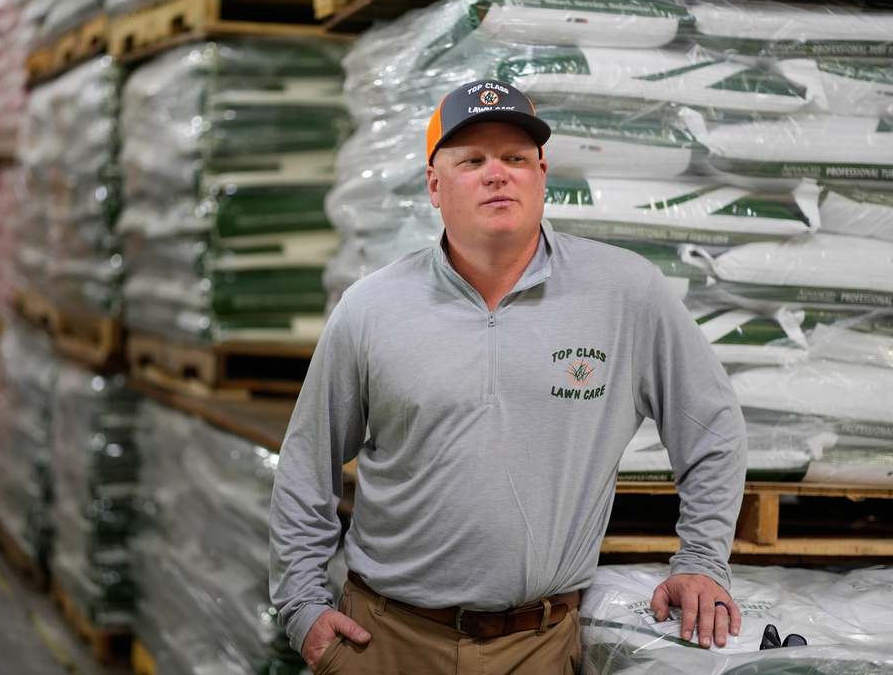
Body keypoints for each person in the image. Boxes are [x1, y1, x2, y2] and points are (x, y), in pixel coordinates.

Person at [269, 78, 748, 674]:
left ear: (542, 173)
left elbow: (713, 427)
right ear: (434, 186)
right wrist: (301, 606)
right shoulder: (370, 309)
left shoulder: (626, 294)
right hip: (386, 640)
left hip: (540, 645)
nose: (498, 173)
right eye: (472, 160)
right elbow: (306, 466)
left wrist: (702, 559)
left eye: (516, 158)